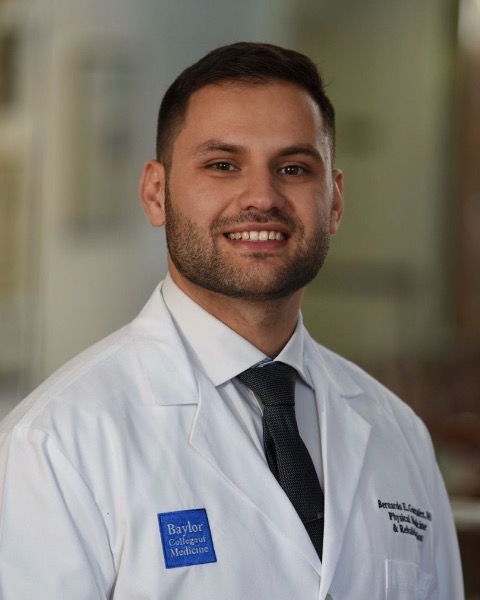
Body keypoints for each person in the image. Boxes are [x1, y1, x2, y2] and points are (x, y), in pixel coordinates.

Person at [0, 42, 463, 600]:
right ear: (156, 193)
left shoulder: (399, 434)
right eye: (223, 165)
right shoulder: (56, 444)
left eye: (293, 168)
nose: (262, 197)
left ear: (335, 201)